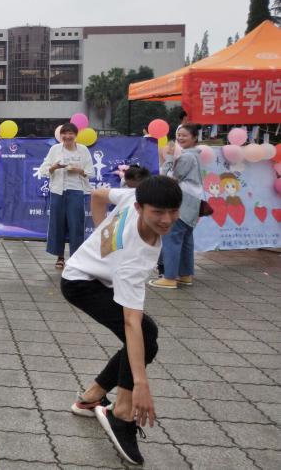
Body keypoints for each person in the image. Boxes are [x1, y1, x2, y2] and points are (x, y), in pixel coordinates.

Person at [62, 175, 182, 466]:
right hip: (80, 283)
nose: (167, 220)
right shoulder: (135, 257)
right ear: (140, 208)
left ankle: (91, 398)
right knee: (144, 334)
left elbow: (98, 195)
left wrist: (100, 234)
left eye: (173, 211)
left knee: (146, 335)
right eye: (158, 212)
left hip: (93, 274)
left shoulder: (131, 196)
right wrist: (139, 384)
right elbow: (131, 323)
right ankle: (122, 413)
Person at [150, 123, 202, 289]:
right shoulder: (195, 155)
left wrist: (169, 158)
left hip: (181, 204)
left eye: (184, 135)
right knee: (186, 241)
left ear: (194, 138)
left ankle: (170, 277)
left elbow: (169, 179)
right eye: (179, 135)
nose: (180, 138)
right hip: (191, 204)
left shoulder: (186, 157)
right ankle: (185, 275)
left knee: (171, 239)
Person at [39, 122, 94, 269]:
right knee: (57, 224)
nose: (67, 136)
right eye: (64, 133)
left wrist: (78, 170)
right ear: (60, 135)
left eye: (71, 133)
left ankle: (76, 258)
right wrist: (54, 167)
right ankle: (60, 257)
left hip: (76, 191)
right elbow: (43, 170)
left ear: (76, 135)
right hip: (57, 191)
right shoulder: (55, 149)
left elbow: (91, 172)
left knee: (76, 224)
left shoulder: (83, 150)